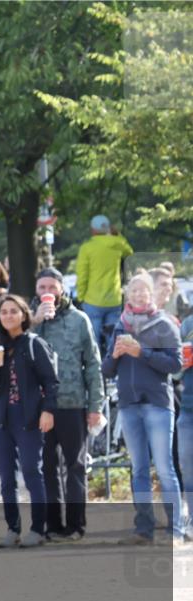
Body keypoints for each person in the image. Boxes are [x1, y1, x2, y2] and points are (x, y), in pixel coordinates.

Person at [102, 274, 185, 545]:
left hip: (158, 404)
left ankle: (175, 530)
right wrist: (114, 356)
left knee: (164, 468)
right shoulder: (120, 325)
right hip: (128, 405)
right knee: (138, 469)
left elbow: (176, 365)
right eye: (134, 291)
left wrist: (143, 353)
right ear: (127, 295)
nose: (138, 295)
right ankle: (143, 529)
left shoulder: (164, 324)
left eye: (143, 291)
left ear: (152, 294)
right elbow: (106, 370)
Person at [31, 267, 104, 541]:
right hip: (41, 407)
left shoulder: (79, 319)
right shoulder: (30, 320)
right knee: (46, 467)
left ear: (62, 289)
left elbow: (93, 365)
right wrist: (35, 321)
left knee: (74, 466)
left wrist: (95, 404)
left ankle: (76, 525)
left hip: (74, 403)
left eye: (52, 287)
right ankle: (53, 525)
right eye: (42, 288)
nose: (47, 292)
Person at [0, 294, 59, 548]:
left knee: (31, 472)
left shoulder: (34, 343)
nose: (8, 315)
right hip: (2, 418)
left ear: (23, 314)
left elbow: (51, 381)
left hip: (29, 417)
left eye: (13, 311)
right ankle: (12, 528)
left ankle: (38, 528)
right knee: (6, 477)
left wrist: (48, 410)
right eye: (4, 312)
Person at [76, 214, 134, 353]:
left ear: (92, 230)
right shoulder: (117, 244)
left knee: (93, 339)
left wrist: (81, 297)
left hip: (92, 300)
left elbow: (83, 275)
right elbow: (130, 252)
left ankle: (97, 370)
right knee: (113, 339)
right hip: (113, 299)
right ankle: (114, 370)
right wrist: (117, 235)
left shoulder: (87, 248)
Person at [178, 312, 193, 542]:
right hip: (189, 407)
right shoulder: (189, 324)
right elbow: (172, 368)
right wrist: (182, 362)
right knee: (188, 467)